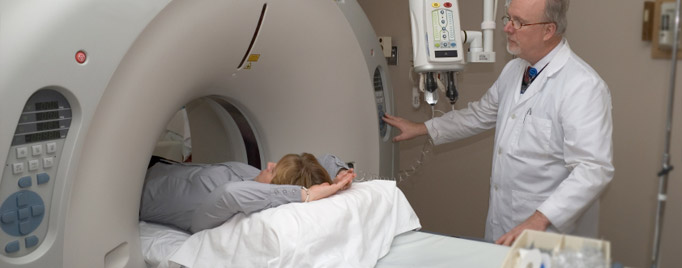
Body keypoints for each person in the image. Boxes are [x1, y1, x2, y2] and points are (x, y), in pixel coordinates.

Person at [383, 0, 613, 246]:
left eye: (519, 22)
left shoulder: (582, 86)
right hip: (505, 223)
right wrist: (422, 128)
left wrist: (540, 218)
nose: (507, 28)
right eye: (508, 18)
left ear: (548, 30)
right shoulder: (514, 70)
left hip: (551, 236)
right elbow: (480, 114)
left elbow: (593, 169)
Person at [140, 153, 355, 233]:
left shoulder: (220, 213)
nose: (269, 164)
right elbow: (326, 157)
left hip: (134, 191)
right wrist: (340, 174)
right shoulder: (255, 177)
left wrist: (305, 195)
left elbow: (228, 192)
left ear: (279, 186)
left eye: (273, 169)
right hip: (155, 163)